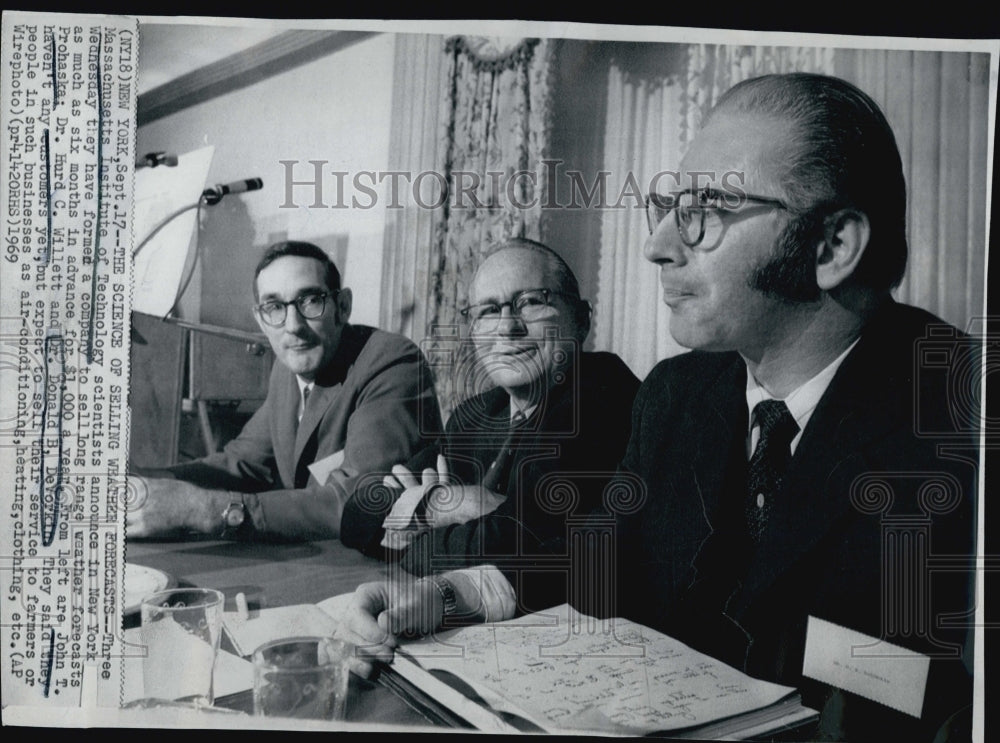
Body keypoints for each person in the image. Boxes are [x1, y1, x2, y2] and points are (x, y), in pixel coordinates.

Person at [335, 74, 979, 741]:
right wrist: (443, 597)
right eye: (668, 206)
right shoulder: (680, 393)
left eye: (705, 210)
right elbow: (603, 558)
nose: (659, 244)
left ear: (832, 246)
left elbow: (946, 692)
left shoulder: (969, 416)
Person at [341, 239, 640, 616]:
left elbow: (515, 541)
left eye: (532, 301)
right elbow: (357, 512)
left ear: (581, 319)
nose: (507, 327)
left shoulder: (603, 396)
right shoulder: (478, 414)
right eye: (488, 310)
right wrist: (436, 504)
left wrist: (413, 532)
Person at [126, 240, 442, 541]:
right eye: (274, 307)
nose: (292, 325)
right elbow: (244, 463)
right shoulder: (287, 368)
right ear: (261, 319)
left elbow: (359, 502)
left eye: (310, 300)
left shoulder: (391, 362)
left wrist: (204, 509)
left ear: (342, 306)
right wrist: (150, 482)